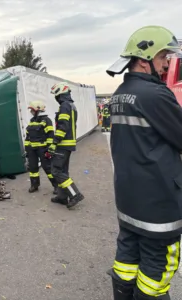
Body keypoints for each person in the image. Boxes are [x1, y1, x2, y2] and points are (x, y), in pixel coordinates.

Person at [106, 25, 182, 300]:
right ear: (143, 58)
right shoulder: (156, 95)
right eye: (163, 57)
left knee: (127, 258)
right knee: (158, 269)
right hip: (158, 203)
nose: (166, 65)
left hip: (129, 198)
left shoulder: (118, 95)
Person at [48, 82, 84, 209]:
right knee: (63, 171)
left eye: (56, 95)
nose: (55, 98)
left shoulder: (64, 106)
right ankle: (62, 197)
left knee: (56, 171)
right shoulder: (71, 105)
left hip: (62, 144)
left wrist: (55, 142)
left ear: (60, 94)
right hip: (68, 144)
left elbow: (63, 126)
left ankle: (75, 194)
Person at [24, 100, 57, 193]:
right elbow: (28, 136)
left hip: (43, 149)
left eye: (32, 110)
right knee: (33, 168)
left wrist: (49, 149)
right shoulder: (32, 121)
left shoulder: (47, 120)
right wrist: (27, 149)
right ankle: (34, 185)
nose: (31, 112)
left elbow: (50, 136)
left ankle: (56, 186)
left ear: (38, 110)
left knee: (47, 168)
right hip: (32, 150)